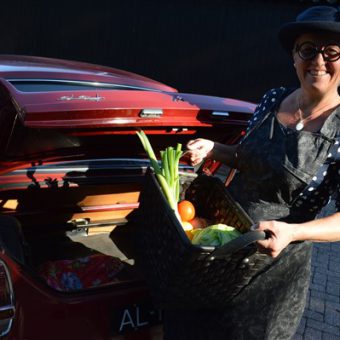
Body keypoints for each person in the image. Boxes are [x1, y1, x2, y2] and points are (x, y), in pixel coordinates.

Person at [163, 5, 340, 340]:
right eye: (307, 50)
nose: (318, 60)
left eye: (331, 52)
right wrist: (215, 149)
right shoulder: (273, 99)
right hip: (222, 244)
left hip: (272, 270)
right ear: (294, 57)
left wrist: (293, 232)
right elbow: (249, 157)